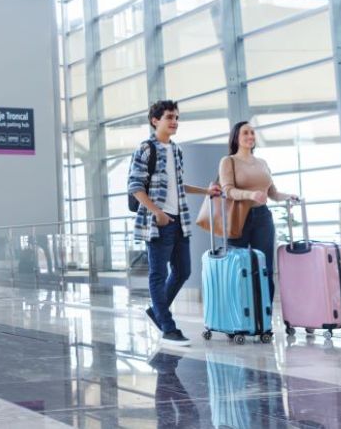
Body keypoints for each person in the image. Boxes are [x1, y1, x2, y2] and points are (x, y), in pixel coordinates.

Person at [128, 100, 221, 347]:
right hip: (158, 221)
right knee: (159, 274)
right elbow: (135, 186)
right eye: (170, 117)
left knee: (183, 271)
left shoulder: (176, 150)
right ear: (154, 120)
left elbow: (179, 185)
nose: (174, 121)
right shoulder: (146, 149)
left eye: (177, 118)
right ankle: (168, 328)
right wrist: (157, 212)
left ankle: (156, 312)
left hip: (180, 220)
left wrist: (205, 191)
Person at [220, 121, 299, 303]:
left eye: (252, 133)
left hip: (263, 217)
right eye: (245, 133)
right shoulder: (229, 161)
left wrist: (288, 197)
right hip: (239, 218)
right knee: (237, 268)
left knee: (265, 268)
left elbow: (272, 193)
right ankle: (238, 317)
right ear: (236, 138)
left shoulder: (262, 163)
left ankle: (264, 318)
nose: (250, 136)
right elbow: (228, 191)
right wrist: (250, 194)